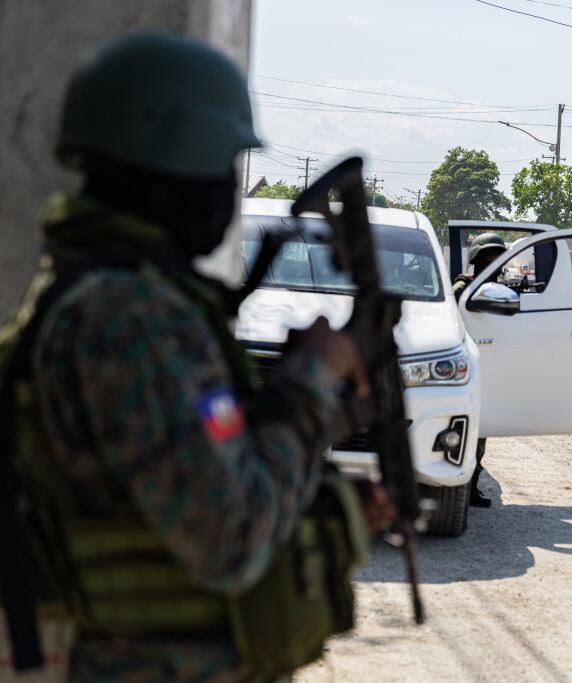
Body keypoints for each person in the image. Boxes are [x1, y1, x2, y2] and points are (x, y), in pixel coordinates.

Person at [0, 33, 385, 681]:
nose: (226, 190)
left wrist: (323, 498)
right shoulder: (129, 319)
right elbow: (230, 538)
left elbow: (178, 487)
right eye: (222, 166)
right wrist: (310, 381)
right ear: (178, 166)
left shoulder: (108, 296)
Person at [451, 232, 507, 508]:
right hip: (465, 369)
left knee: (480, 434)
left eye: (499, 259)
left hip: (489, 366)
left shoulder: (496, 289)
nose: (496, 264)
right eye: (491, 258)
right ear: (478, 260)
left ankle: (471, 485)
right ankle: (459, 487)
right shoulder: (463, 288)